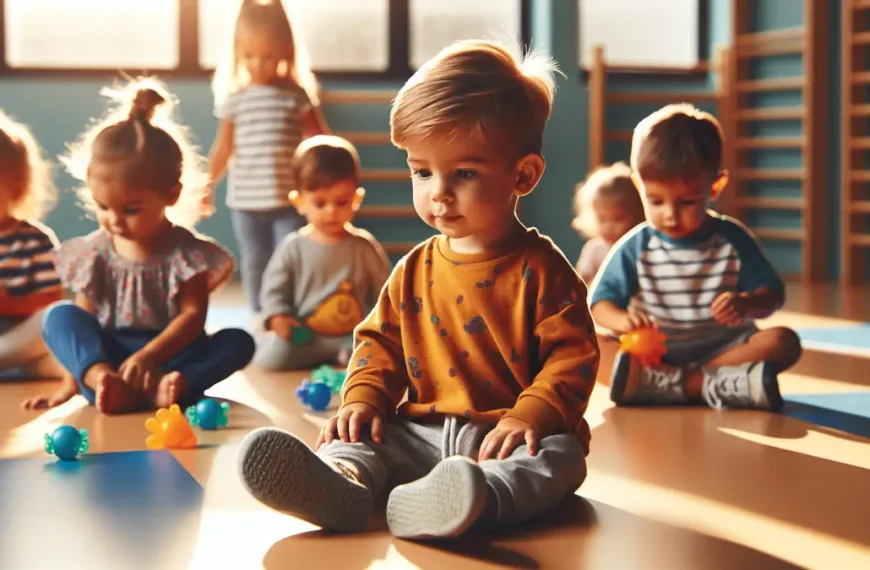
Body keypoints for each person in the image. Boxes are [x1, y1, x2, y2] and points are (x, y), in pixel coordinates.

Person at [236, 40, 599, 540]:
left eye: (464, 173)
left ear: (524, 174)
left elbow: (573, 357)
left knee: (560, 459)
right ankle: (343, 484)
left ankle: (479, 498)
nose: (438, 192)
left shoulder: (545, 272)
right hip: (419, 432)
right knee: (361, 437)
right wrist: (361, 400)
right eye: (422, 171)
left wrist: (531, 416)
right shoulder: (413, 269)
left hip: (507, 436)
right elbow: (379, 343)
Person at [24, 79, 255, 414]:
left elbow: (193, 318)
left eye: (131, 210)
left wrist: (150, 357)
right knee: (59, 316)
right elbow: (84, 320)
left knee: (238, 341)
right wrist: (71, 382)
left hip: (169, 355)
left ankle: (173, 386)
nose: (114, 221)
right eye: (103, 207)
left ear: (171, 195)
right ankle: (102, 381)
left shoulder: (185, 254)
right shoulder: (96, 253)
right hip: (113, 358)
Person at [588, 103, 802, 410]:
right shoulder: (636, 246)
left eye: (687, 202)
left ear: (715, 186)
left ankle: (675, 386)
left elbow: (773, 295)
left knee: (783, 342)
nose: (670, 215)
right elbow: (600, 305)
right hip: (652, 355)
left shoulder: (733, 240)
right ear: (639, 185)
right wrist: (623, 320)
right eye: (656, 201)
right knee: (586, 344)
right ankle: (713, 386)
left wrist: (746, 303)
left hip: (723, 350)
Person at [206, 0, 330, 317]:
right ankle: (261, 315)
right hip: (246, 202)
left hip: (288, 200)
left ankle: (288, 311)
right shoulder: (236, 99)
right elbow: (223, 148)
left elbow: (318, 140)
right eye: (250, 56)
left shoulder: (296, 95)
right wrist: (207, 185)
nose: (259, 64)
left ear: (285, 53)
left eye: (268, 56)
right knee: (255, 258)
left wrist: (328, 179)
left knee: (290, 256)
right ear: (238, 54)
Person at [254, 135, 390, 370]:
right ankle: (333, 356)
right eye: (320, 203)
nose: (331, 212)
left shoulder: (364, 246)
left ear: (356, 199)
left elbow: (385, 290)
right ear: (299, 202)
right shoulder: (293, 247)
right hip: (305, 336)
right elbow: (274, 289)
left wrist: (384, 324)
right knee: (269, 361)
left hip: (353, 334)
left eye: (342, 202)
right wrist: (277, 317)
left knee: (375, 355)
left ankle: (344, 354)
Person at [0, 110, 65, 383]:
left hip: (18, 341)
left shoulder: (35, 240)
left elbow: (51, 299)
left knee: (57, 318)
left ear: (14, 188)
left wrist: (8, 303)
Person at [571, 161, 644, 284]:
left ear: (637, 214)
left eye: (618, 219)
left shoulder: (639, 248)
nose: (608, 227)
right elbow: (580, 282)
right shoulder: (594, 249)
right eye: (602, 219)